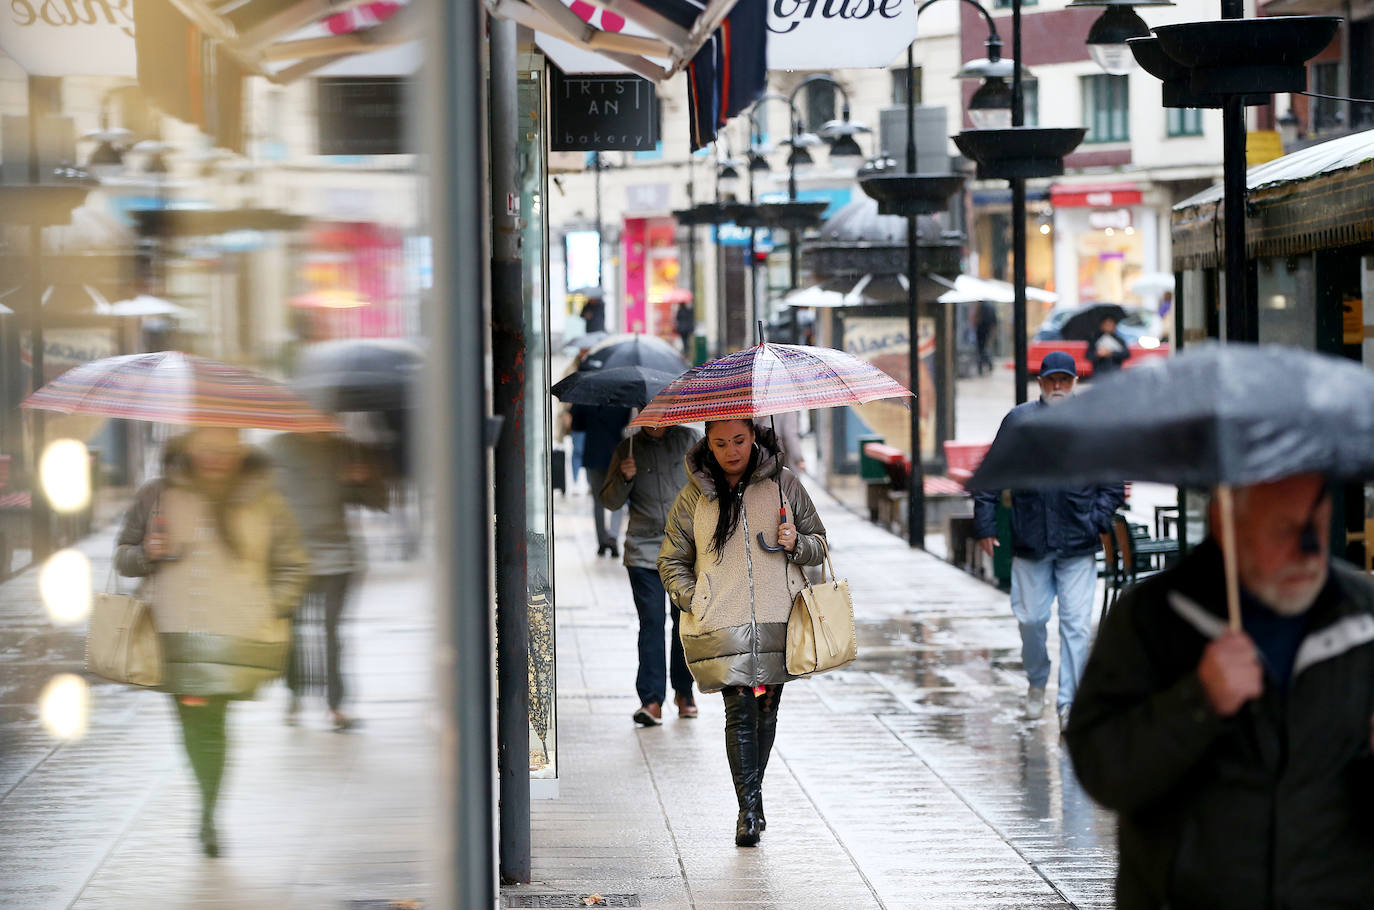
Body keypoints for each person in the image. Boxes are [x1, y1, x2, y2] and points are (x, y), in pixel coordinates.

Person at [1065, 473, 1374, 909]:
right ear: (1224, 521)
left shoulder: (1364, 620)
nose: (1309, 552)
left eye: (1318, 526)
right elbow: (1102, 769)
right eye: (1285, 529)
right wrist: (1197, 701)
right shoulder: (1152, 619)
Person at [116, 428, 308, 857]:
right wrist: (147, 550)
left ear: (240, 450)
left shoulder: (263, 498)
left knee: (212, 725)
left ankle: (207, 812)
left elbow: (293, 565)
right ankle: (207, 806)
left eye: (225, 448)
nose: (215, 457)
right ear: (187, 448)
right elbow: (123, 556)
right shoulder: (156, 496)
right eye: (205, 447)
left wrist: (270, 606)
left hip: (233, 635)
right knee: (192, 726)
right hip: (173, 634)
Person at [658, 420, 828, 847]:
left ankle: (752, 798)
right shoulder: (694, 495)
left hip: (779, 619)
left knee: (766, 714)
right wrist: (697, 599)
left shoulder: (784, 484)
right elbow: (671, 560)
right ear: (707, 445)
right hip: (722, 622)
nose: (730, 451)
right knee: (740, 714)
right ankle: (748, 812)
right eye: (719, 443)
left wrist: (796, 543)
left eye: (738, 440)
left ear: (753, 437)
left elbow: (820, 542)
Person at [973, 351, 1125, 729]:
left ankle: (1068, 703)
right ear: (1040, 383)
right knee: (1032, 620)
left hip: (1078, 541)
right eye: (1051, 380)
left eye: (1065, 380)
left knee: (1075, 625)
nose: (1058, 386)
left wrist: (1096, 520)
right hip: (1030, 538)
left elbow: (1112, 481)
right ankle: (1038, 680)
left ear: (1074, 383)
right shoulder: (1019, 422)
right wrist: (986, 524)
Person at [268, 432, 389, 732]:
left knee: (332, 633)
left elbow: (378, 501)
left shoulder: (344, 448)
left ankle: (335, 706)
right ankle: (294, 696)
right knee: (293, 634)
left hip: (337, 560)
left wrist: (363, 478)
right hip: (294, 561)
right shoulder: (278, 449)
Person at [600, 422, 702, 726]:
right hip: (644, 551)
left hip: (685, 552)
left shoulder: (690, 440)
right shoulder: (628, 448)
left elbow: (712, 486)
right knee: (652, 622)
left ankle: (684, 692)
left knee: (683, 623)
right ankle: (651, 700)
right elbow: (609, 500)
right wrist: (624, 476)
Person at [571, 402, 630, 556]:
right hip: (615, 455)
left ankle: (601, 541)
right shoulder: (622, 401)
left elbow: (576, 426)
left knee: (598, 502)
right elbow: (625, 424)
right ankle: (613, 536)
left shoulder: (585, 401)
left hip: (593, 455)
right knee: (618, 498)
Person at [975, 299, 998, 375]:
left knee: (981, 349)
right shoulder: (990, 306)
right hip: (987, 330)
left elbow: (977, 317)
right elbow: (994, 321)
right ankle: (987, 364)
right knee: (984, 349)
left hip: (981, 330)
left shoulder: (982, 306)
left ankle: (982, 366)